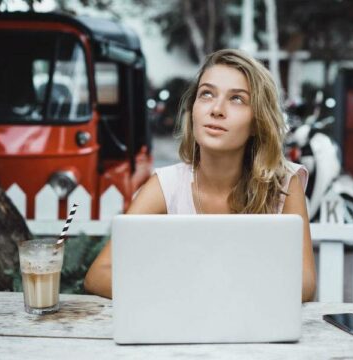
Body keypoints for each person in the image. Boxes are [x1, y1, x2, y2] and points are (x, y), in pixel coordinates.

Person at [84, 49, 317, 302]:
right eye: (206, 94)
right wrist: (188, 293)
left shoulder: (284, 183)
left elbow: (305, 283)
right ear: (193, 109)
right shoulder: (167, 185)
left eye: (237, 99)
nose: (217, 109)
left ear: (257, 122)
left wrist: (220, 292)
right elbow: (98, 275)